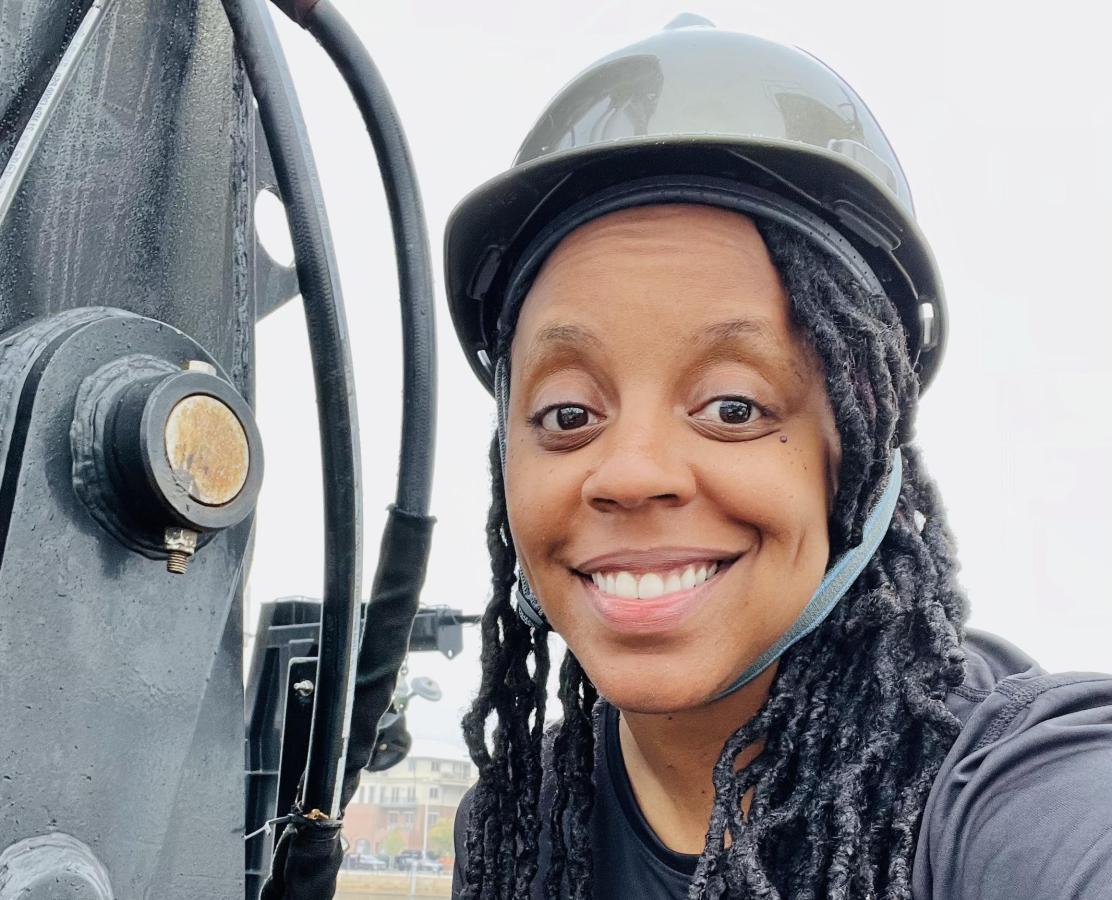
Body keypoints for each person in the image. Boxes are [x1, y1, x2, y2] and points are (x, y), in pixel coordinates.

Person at [442, 18, 1112, 900]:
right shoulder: (522, 823)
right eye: (568, 413)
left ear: (862, 458)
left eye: (733, 407)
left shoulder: (1013, 795)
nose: (632, 471)